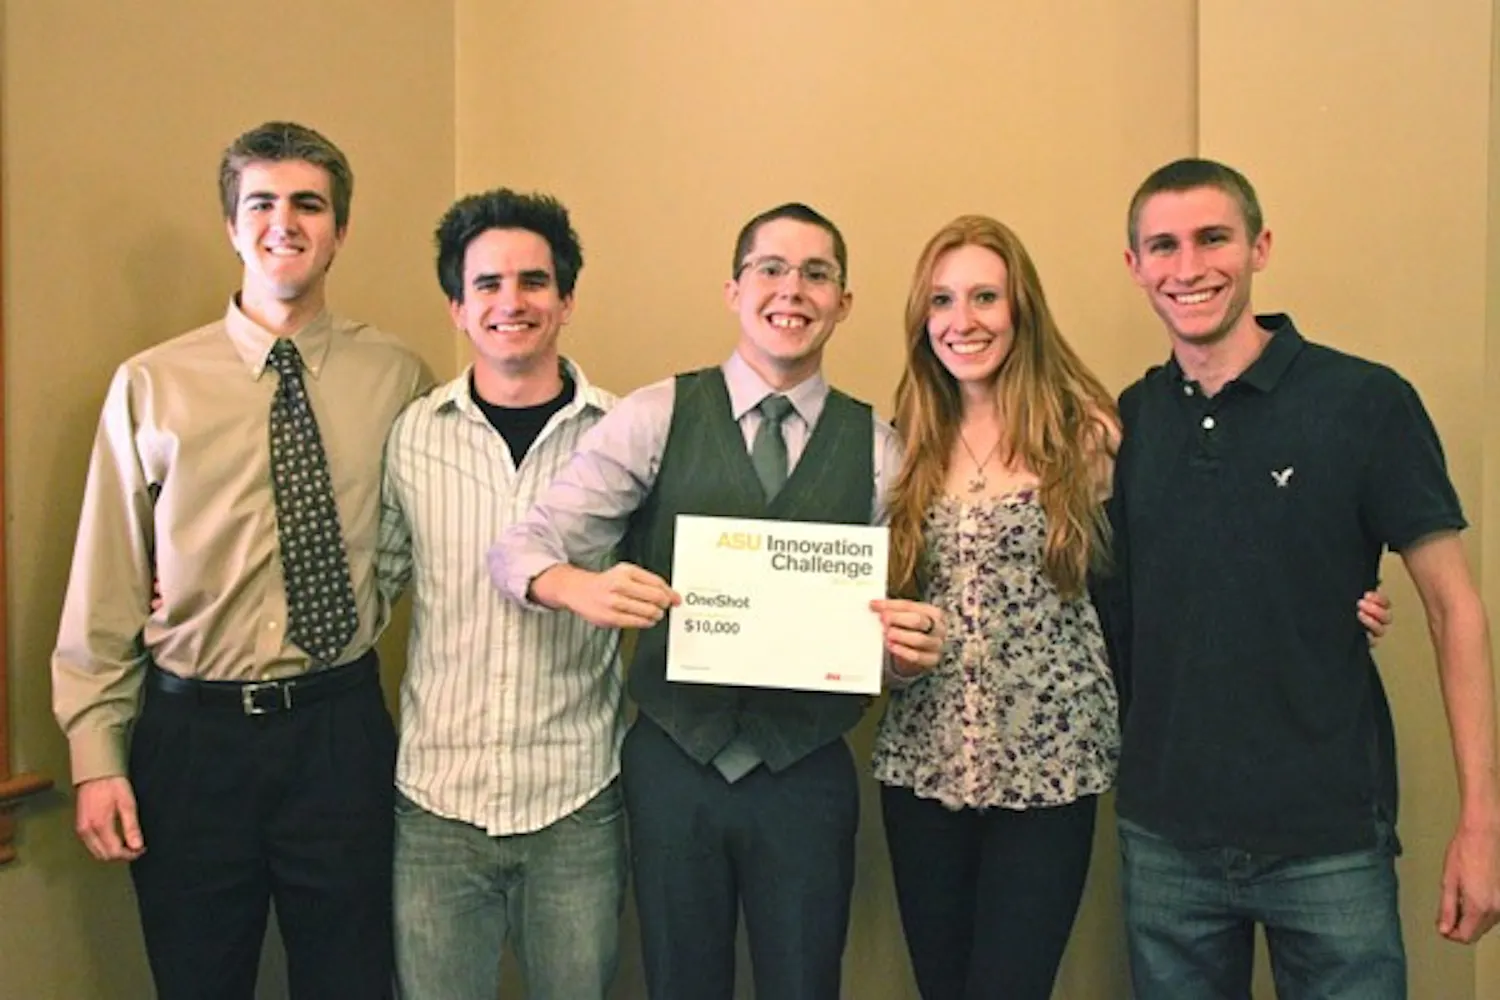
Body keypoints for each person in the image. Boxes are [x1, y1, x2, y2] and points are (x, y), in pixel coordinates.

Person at [490, 202, 945, 999]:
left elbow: (891, 634)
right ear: (734, 290)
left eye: (817, 274)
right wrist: (580, 587)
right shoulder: (656, 415)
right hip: (675, 762)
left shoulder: (882, 450)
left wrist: (906, 656)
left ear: (845, 300)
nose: (792, 290)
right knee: (679, 982)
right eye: (770, 269)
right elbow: (518, 549)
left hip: (805, 772)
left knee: (805, 984)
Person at [52, 121, 432, 999]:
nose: (284, 223)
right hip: (191, 741)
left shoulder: (398, 376)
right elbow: (104, 581)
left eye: (309, 204)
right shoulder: (151, 383)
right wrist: (96, 754)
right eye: (261, 203)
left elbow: (425, 535)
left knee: (351, 979)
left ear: (340, 227)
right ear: (232, 226)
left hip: (338, 731)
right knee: (197, 980)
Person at [1111, 157, 1500, 998]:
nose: (1189, 268)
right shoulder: (1126, 423)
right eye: (1163, 246)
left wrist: (1483, 822)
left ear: (1260, 247)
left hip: (1329, 840)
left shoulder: (1365, 402)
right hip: (1165, 840)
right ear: (1135, 265)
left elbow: (1453, 609)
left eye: (1214, 238)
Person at [378, 188, 625, 999]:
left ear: (566, 300)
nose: (511, 302)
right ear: (457, 306)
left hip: (577, 801)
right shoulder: (412, 435)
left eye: (533, 282)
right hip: (436, 804)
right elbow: (371, 578)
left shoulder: (625, 435)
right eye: (487, 284)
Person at [871, 214, 1122, 999]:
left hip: (1049, 767)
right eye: (942, 301)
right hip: (924, 762)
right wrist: (885, 649)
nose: (963, 320)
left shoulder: (1087, 437)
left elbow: (1180, 565)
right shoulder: (899, 444)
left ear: (1022, 309)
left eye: (986, 296)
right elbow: (862, 599)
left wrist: (1339, 598)